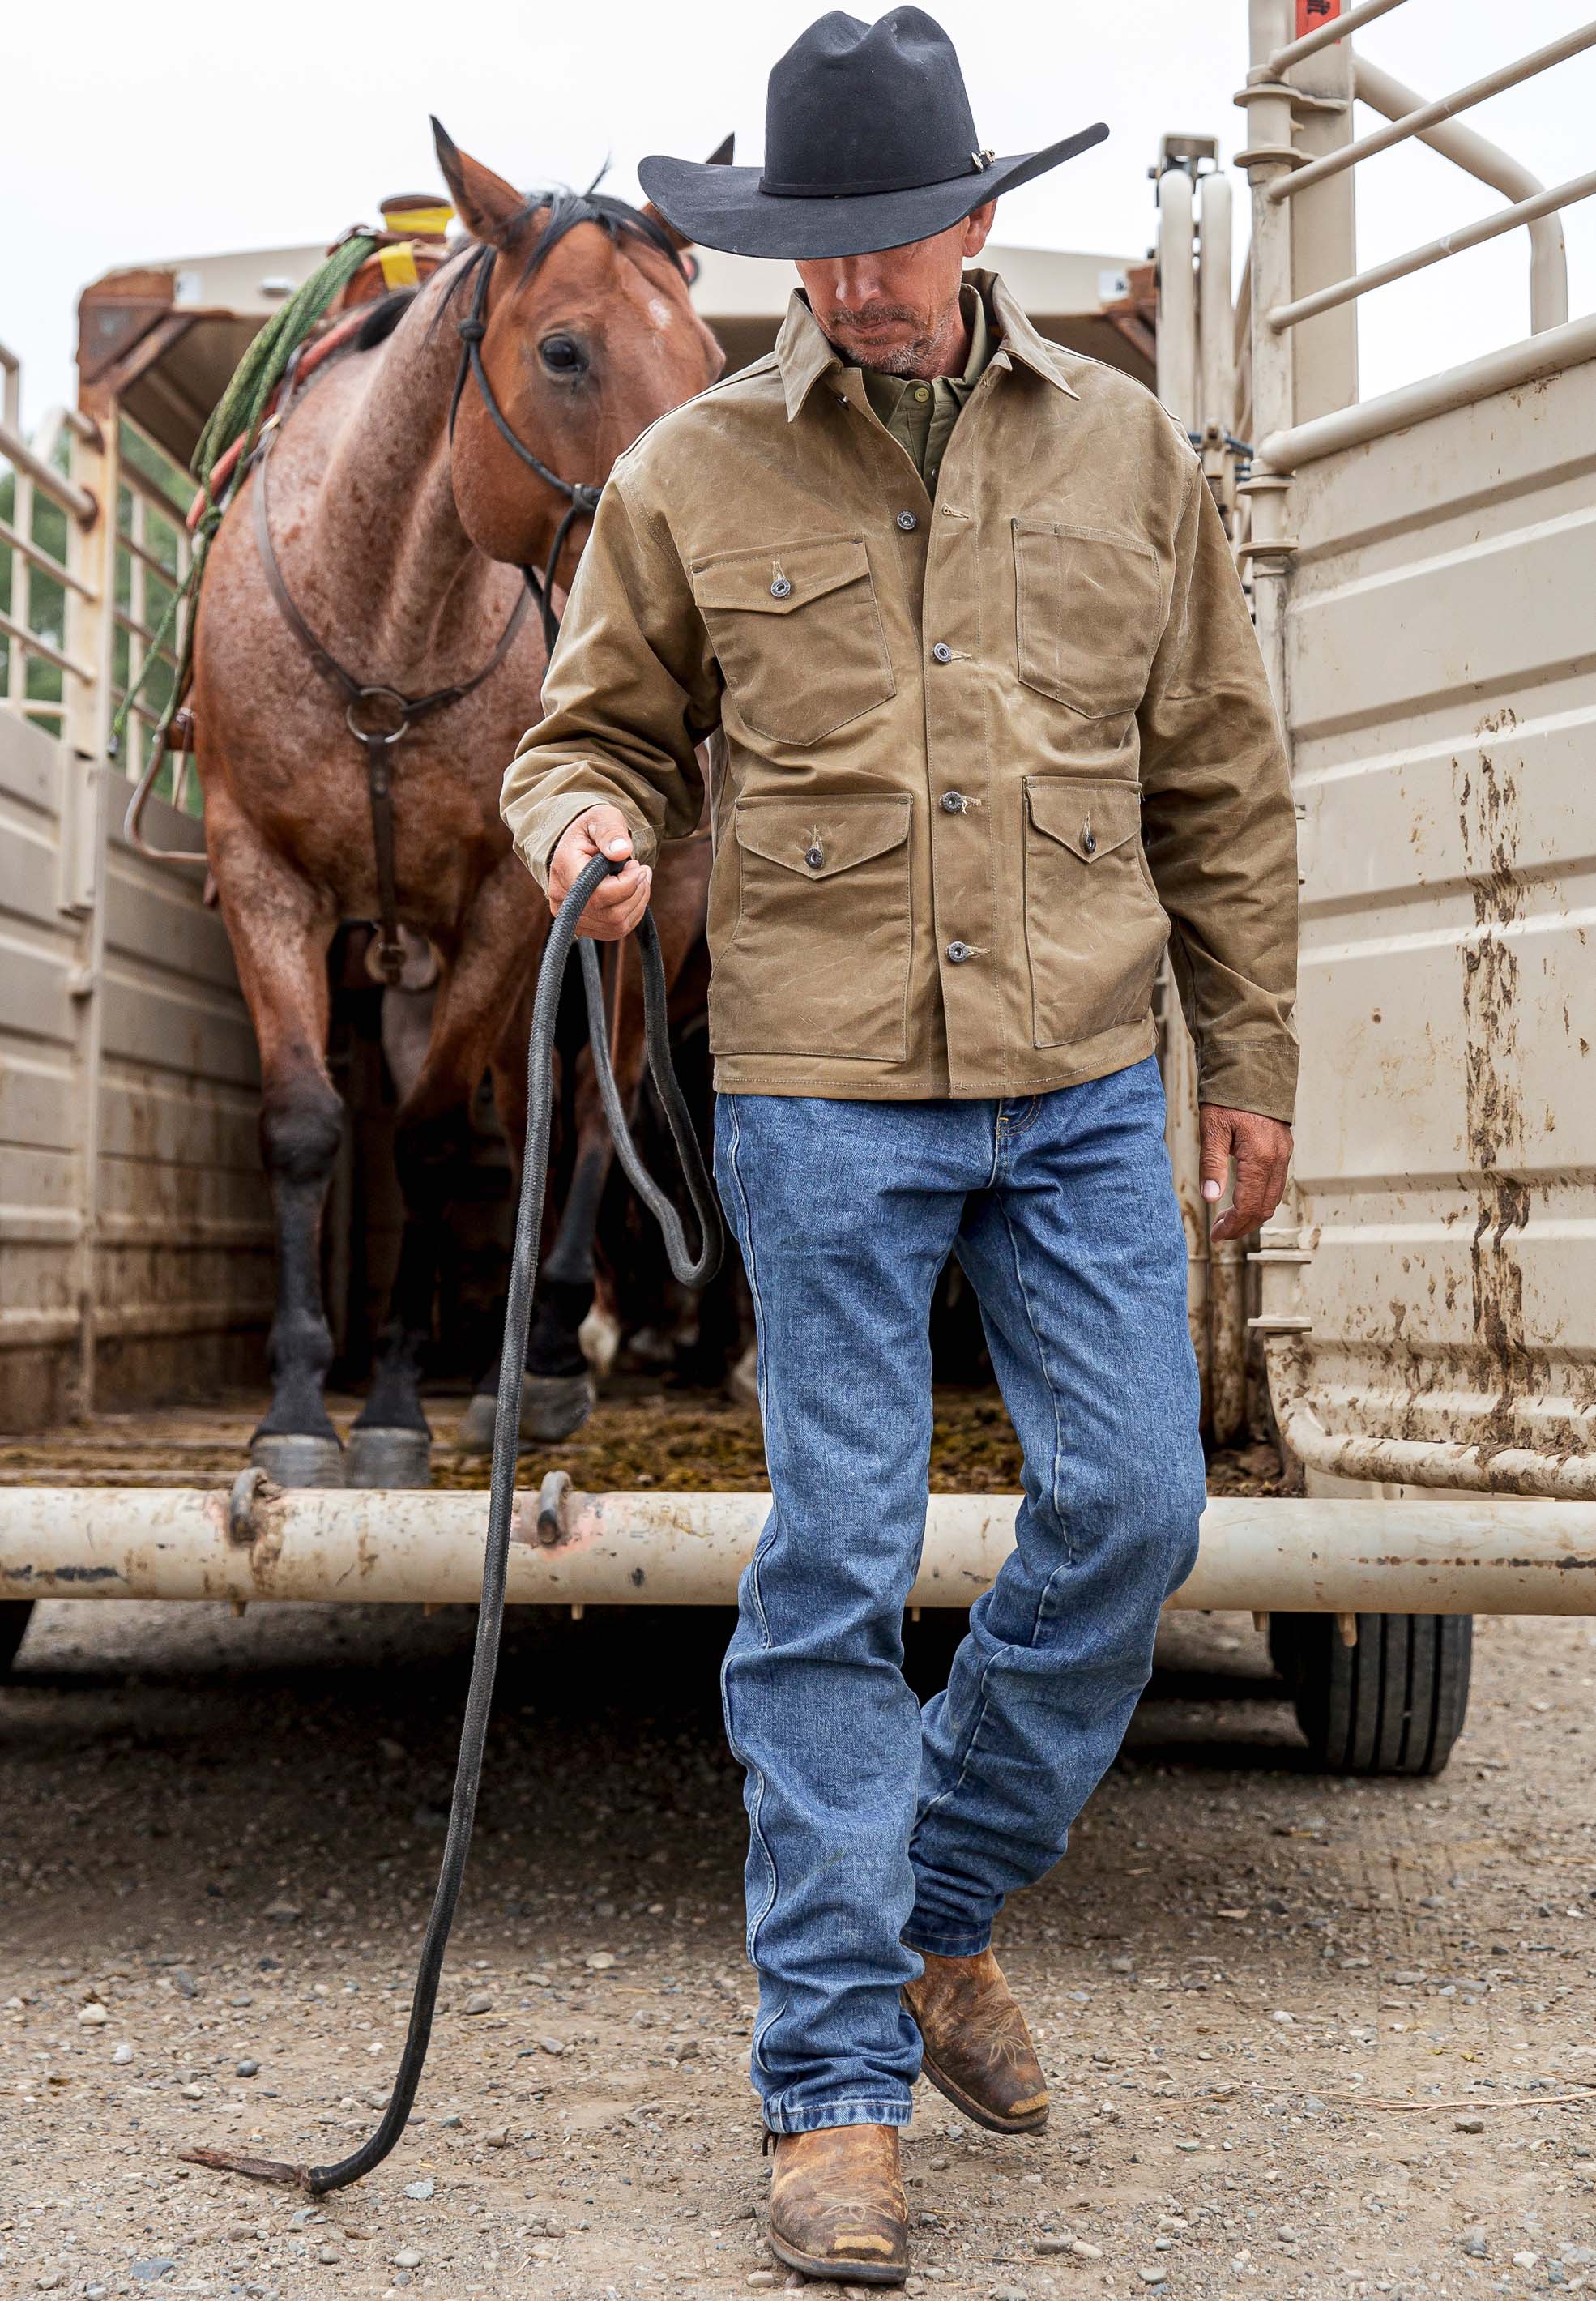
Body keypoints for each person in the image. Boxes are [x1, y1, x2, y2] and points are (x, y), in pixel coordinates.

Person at [500, 8, 1297, 2285]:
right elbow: (592, 735)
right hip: (821, 1094)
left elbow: (1216, 782)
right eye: (811, 252)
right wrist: (582, 833)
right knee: (833, 1561)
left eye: (887, 243)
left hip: (1073, 1081)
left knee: (1134, 1510)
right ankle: (835, 2086)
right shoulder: (690, 475)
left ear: (975, 220)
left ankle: (927, 1905)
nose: (849, 288)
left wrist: (1241, 1062)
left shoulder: (1135, 460)